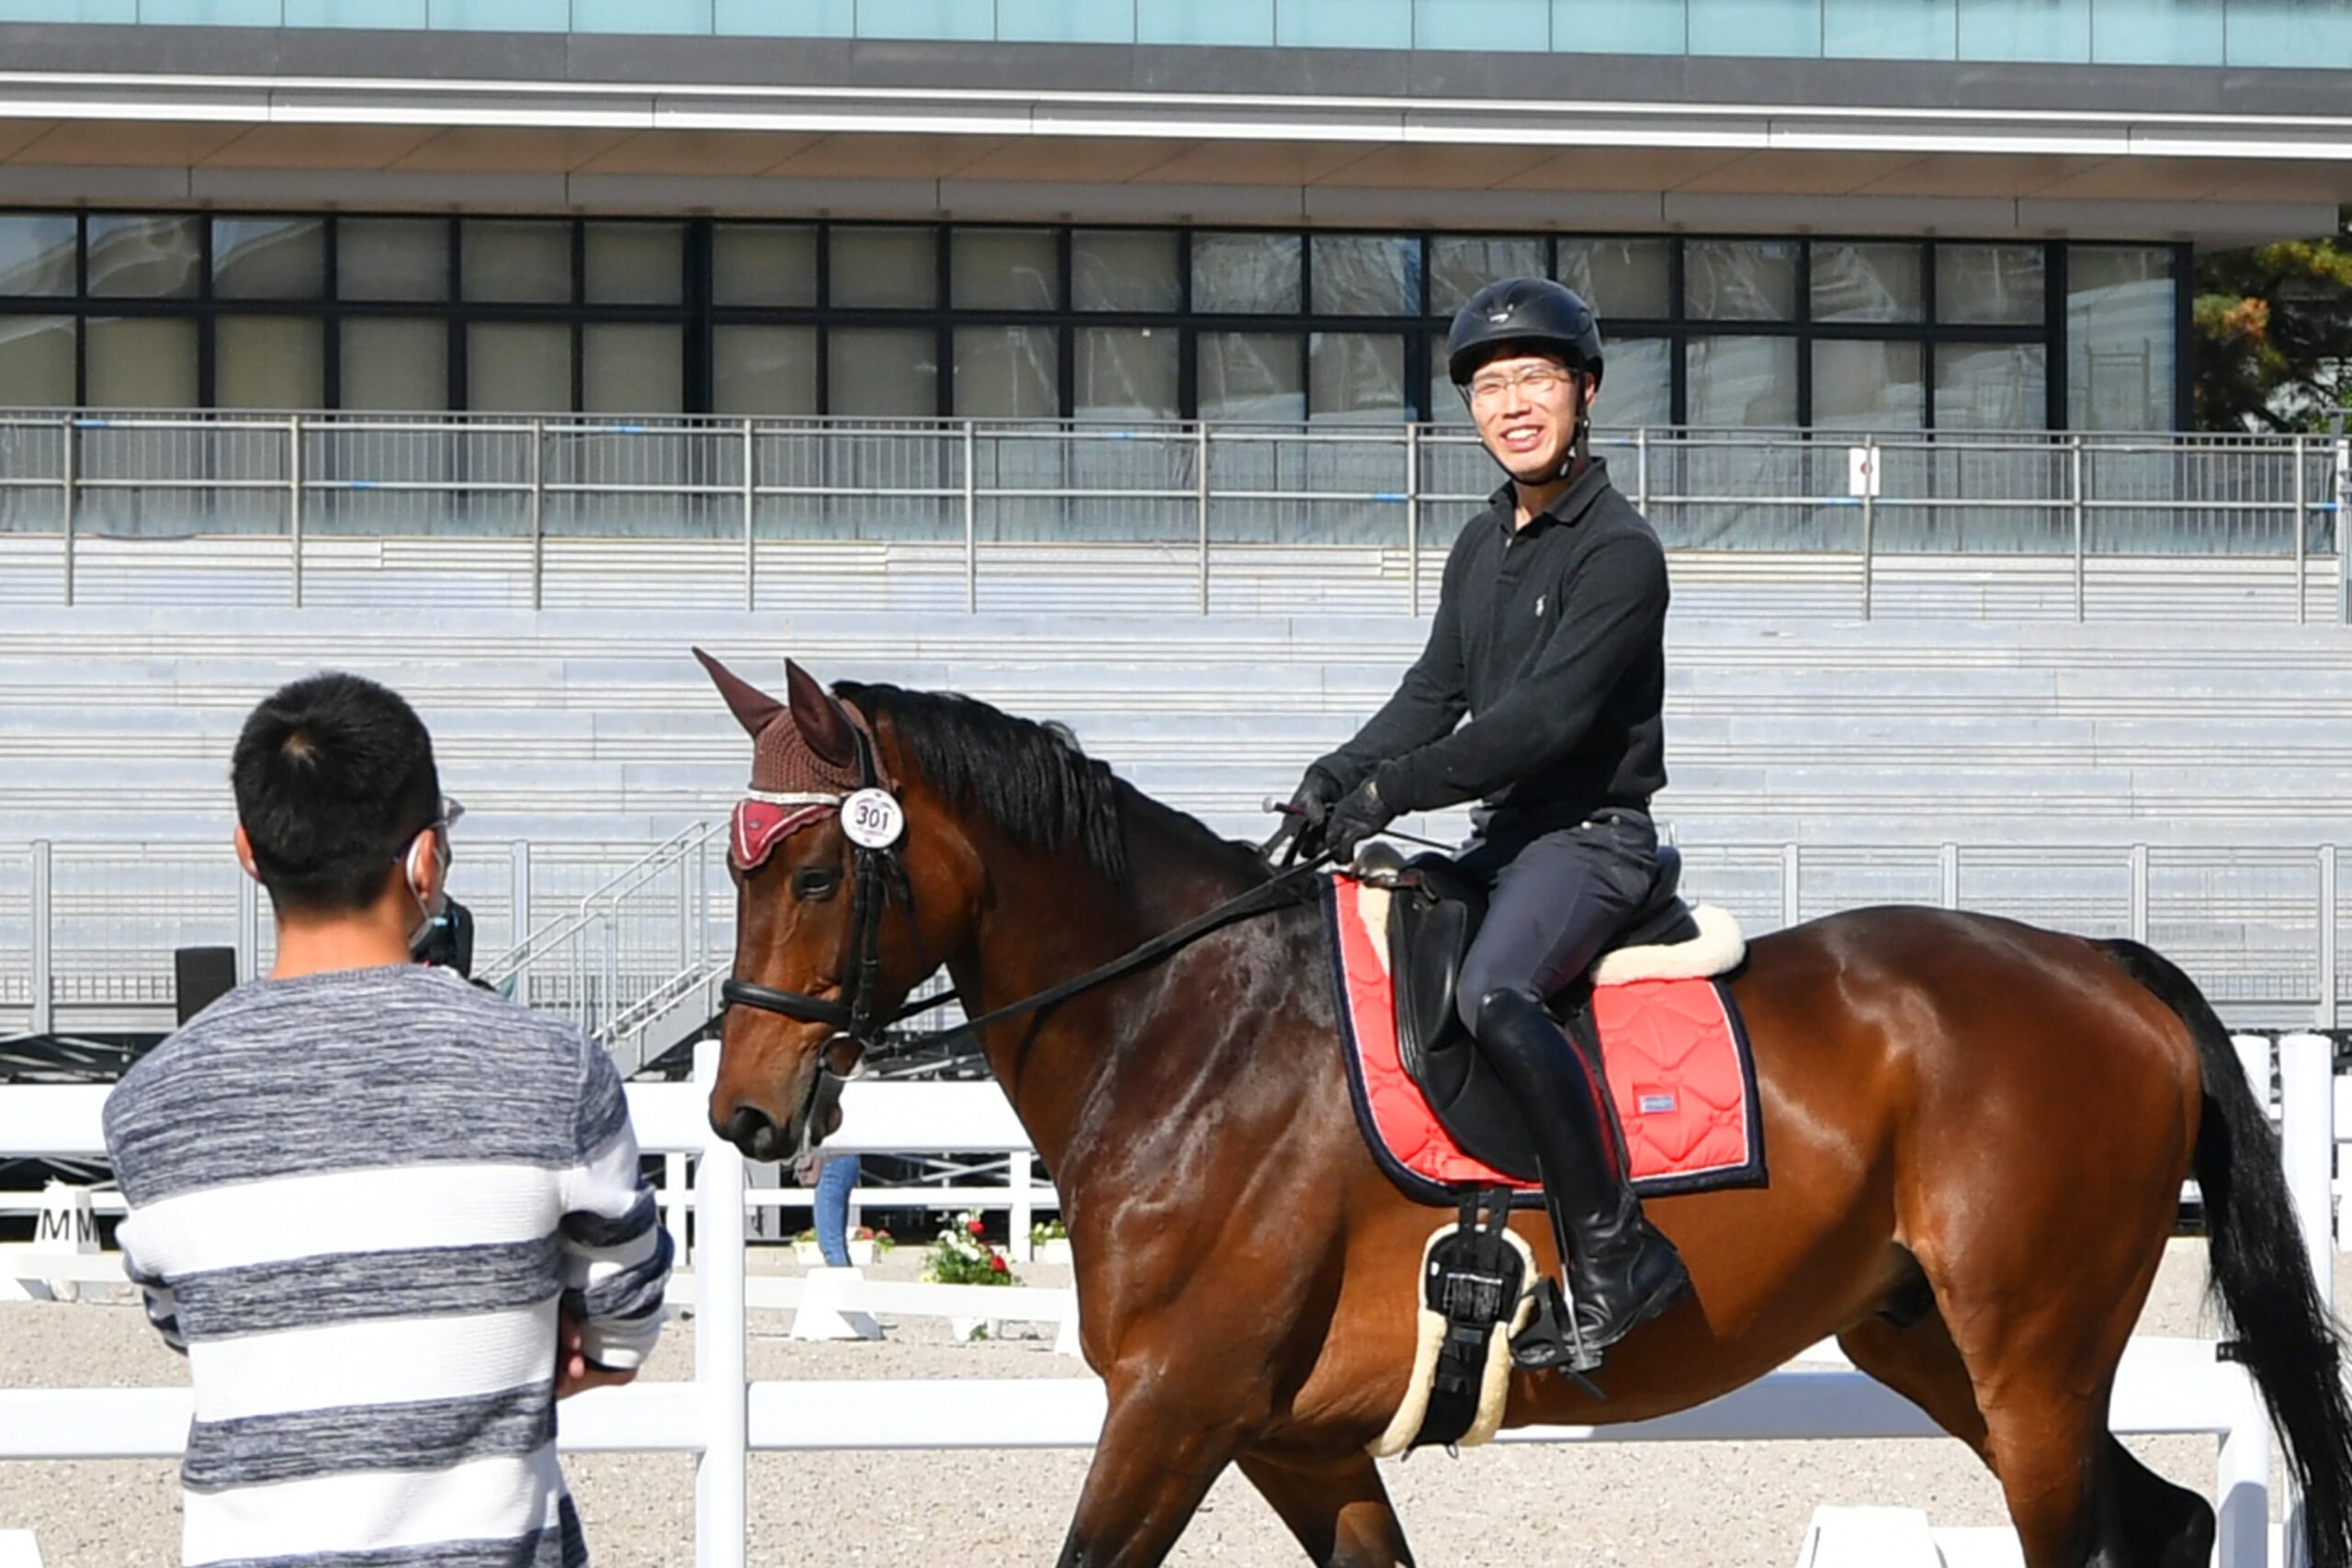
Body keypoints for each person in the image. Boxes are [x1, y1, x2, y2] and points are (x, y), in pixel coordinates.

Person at [103, 671, 673, 1568]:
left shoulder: (151, 1104)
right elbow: (622, 1316)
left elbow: (185, 1322)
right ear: (427, 859)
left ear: (248, 851)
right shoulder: (551, 1071)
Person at [1282, 276, 1687, 1374]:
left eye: (1535, 380)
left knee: (1494, 993)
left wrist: (1393, 791)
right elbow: (1433, 693)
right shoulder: (1478, 543)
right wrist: (1338, 773)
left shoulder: (1621, 552)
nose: (1512, 403)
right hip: (1502, 841)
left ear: (1584, 391)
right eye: (1490, 386)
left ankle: (1615, 1259)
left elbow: (1543, 722)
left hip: (1589, 837)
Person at [798, 1146, 863, 1267]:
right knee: (836, 1243)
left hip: (832, 1159)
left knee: (831, 1243)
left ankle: (843, 1283)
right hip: (842, 1158)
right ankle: (848, 1281)